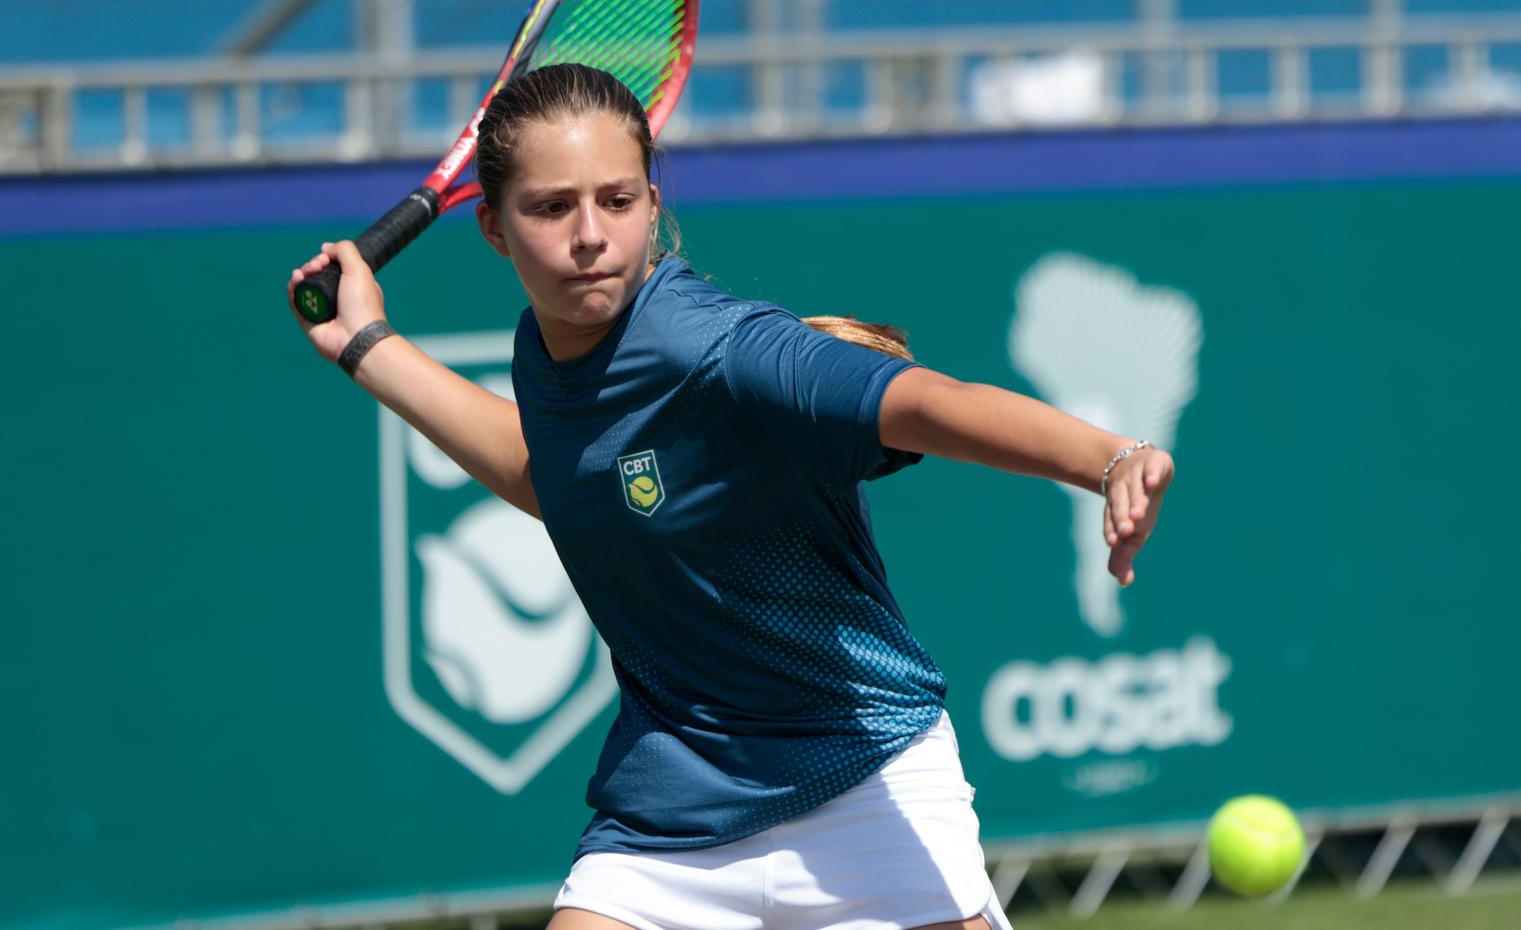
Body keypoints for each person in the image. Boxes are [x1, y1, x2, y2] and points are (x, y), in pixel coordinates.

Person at [287, 63, 1174, 930]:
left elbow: (929, 403)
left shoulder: (722, 347)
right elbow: (557, 476)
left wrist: (1107, 455)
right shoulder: (546, 349)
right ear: (493, 227)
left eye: (618, 200)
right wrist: (368, 343)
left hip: (859, 772)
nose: (590, 234)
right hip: (675, 809)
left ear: (653, 204)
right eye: (552, 207)